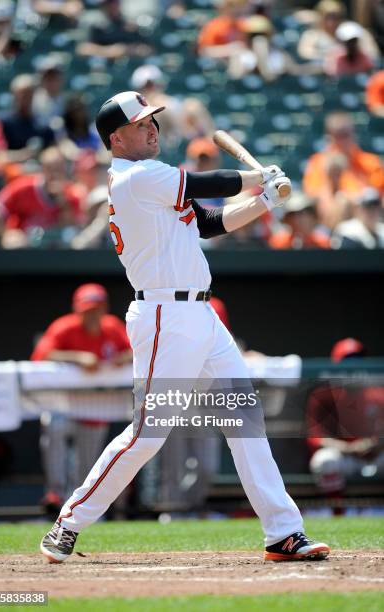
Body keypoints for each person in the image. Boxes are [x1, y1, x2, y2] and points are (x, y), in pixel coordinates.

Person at [40, 90, 330, 563]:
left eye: (153, 121)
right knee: (149, 434)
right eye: (141, 124)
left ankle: (283, 533)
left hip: (201, 314)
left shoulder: (154, 184)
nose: (152, 128)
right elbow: (204, 182)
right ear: (116, 138)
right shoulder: (136, 177)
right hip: (163, 317)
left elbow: (209, 222)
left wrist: (265, 203)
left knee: (245, 420)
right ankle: (69, 521)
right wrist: (260, 177)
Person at [31, 283, 132, 513]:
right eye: (86, 309)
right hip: (65, 404)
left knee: (88, 466)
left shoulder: (113, 327)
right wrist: (78, 357)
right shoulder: (64, 327)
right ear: (77, 309)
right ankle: (55, 493)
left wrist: (123, 358)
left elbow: (136, 350)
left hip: (96, 407)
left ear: (104, 307)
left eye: (96, 308)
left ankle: (78, 510)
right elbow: (41, 355)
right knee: (54, 429)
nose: (91, 314)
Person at [306, 338, 384, 504]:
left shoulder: (378, 393)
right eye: (347, 361)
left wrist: (374, 444)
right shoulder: (324, 395)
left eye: (358, 361)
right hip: (343, 458)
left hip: (374, 456)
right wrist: (348, 448)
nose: (354, 366)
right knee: (325, 461)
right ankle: (338, 512)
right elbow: (316, 438)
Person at [0, 146, 85, 248]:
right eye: (50, 169)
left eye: (59, 169)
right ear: (43, 169)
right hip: (25, 248)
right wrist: (6, 234)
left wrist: (63, 202)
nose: (54, 174)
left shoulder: (73, 193)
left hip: (55, 250)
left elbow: (72, 229)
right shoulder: (24, 187)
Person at [303, 112, 384, 199]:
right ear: (328, 137)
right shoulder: (318, 162)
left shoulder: (370, 162)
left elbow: (379, 195)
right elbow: (312, 194)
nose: (341, 141)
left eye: (345, 135)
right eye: (337, 135)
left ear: (353, 134)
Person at [0, 74, 55, 158]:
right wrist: (26, 154)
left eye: (29, 93)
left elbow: (51, 152)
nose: (24, 97)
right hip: (10, 169)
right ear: (13, 95)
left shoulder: (42, 124)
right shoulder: (3, 122)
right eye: (21, 94)